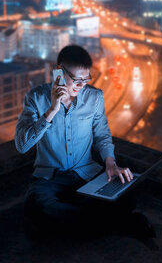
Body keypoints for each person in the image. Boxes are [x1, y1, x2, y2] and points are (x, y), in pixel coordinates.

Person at [15, 45, 154, 239]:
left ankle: (86, 223)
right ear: (59, 72)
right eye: (76, 79)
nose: (81, 85)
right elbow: (22, 146)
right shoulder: (36, 98)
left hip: (86, 171)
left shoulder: (94, 97)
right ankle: (111, 223)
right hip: (50, 177)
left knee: (126, 193)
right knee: (37, 207)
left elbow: (102, 134)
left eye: (85, 79)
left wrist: (110, 163)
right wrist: (52, 109)